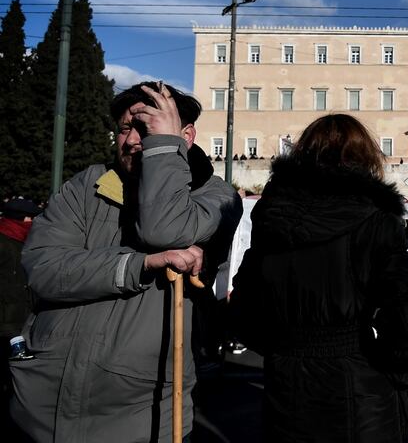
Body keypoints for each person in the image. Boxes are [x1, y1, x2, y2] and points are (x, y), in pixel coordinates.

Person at [10, 81, 242, 441]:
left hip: (140, 414)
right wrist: (139, 264)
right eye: (125, 128)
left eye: (148, 128)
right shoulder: (88, 184)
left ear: (186, 134)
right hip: (39, 408)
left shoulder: (216, 196)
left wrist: (165, 146)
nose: (134, 140)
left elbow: (165, 231)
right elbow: (44, 270)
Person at [230, 113, 408, 441]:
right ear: (365, 160)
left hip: (287, 388)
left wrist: (286, 350)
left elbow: (243, 309)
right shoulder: (376, 222)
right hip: (362, 391)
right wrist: (396, 374)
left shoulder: (271, 220)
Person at [1, 198, 41, 435]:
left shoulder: (23, 242)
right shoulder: (6, 243)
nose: (33, 223)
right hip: (7, 323)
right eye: (30, 219)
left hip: (19, 322)